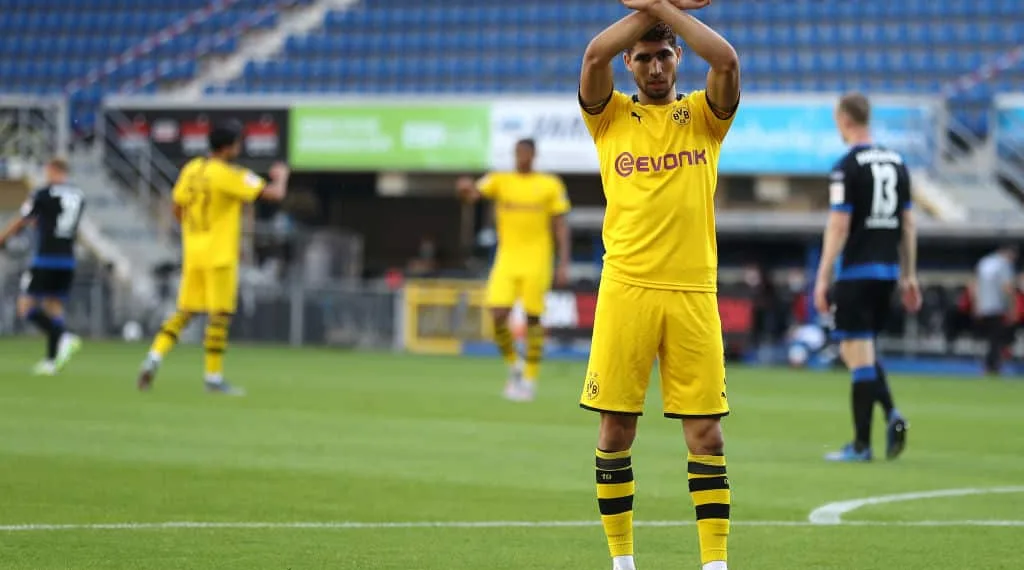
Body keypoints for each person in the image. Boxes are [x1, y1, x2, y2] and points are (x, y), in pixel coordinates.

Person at [577, 1, 740, 568]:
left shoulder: (704, 117)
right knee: (616, 428)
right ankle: (622, 561)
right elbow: (593, 52)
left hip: (694, 294)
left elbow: (726, 59)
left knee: (707, 438)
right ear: (630, 64)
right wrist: (653, 12)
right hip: (626, 289)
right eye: (644, 57)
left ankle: (714, 564)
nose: (654, 67)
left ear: (677, 61)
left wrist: (659, 6)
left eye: (664, 56)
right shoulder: (609, 118)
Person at [137, 120, 289, 395]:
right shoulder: (230, 174)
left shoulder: (192, 169)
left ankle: (153, 357)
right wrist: (281, 176)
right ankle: (213, 377)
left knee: (184, 312)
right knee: (219, 317)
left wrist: (192, 231)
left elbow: (177, 207)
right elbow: (274, 194)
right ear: (229, 147)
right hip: (219, 255)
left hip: (194, 253)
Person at [813, 92, 922, 463]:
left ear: (844, 119)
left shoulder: (846, 166)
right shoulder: (898, 162)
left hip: (857, 272)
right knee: (859, 351)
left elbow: (839, 226)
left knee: (856, 358)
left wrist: (822, 277)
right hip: (888, 272)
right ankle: (891, 413)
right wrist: (909, 275)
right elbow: (908, 224)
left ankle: (862, 445)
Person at [456, 138, 571, 402]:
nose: (522, 158)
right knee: (496, 314)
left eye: (527, 154)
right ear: (515, 154)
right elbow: (472, 195)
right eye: (519, 153)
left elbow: (561, 225)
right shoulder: (500, 180)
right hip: (507, 257)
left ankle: (530, 377)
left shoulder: (549, 185)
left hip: (538, 258)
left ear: (534, 155)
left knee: (532, 319)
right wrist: (463, 189)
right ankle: (514, 364)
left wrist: (563, 263)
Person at [0, 158, 84, 375]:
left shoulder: (42, 194)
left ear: (54, 170)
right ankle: (51, 361)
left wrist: (2, 238)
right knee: (53, 306)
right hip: (67, 259)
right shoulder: (78, 195)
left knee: (25, 307)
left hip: (45, 258)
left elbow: (23, 218)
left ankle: (64, 336)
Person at [972, 245, 1018, 374]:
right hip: (997, 306)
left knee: (992, 338)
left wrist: (977, 305)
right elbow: (1007, 288)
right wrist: (1012, 308)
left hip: (983, 306)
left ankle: (990, 364)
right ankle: (993, 365)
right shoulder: (1003, 264)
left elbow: (975, 285)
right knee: (997, 338)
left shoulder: (984, 262)